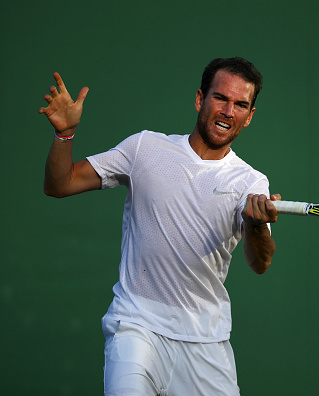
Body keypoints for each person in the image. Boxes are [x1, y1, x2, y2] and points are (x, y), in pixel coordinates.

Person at [39, 57, 280, 396]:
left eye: (241, 104)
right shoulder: (145, 148)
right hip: (137, 328)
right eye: (220, 98)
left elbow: (260, 263)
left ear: (249, 116)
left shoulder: (250, 182)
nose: (229, 111)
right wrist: (65, 135)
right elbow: (59, 184)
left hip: (205, 342)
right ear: (200, 99)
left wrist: (255, 227)